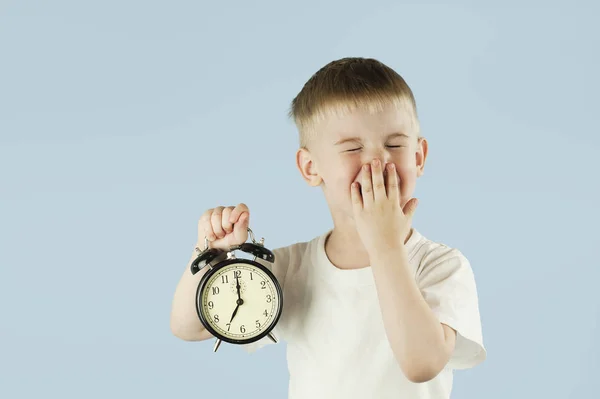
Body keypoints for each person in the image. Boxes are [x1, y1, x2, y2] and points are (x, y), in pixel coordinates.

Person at [170, 57, 486, 399]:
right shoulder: (294, 266)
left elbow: (421, 364)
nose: (377, 162)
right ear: (310, 167)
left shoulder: (442, 265)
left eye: (395, 145)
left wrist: (385, 245)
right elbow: (189, 327)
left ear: (419, 157)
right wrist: (211, 254)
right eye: (353, 148)